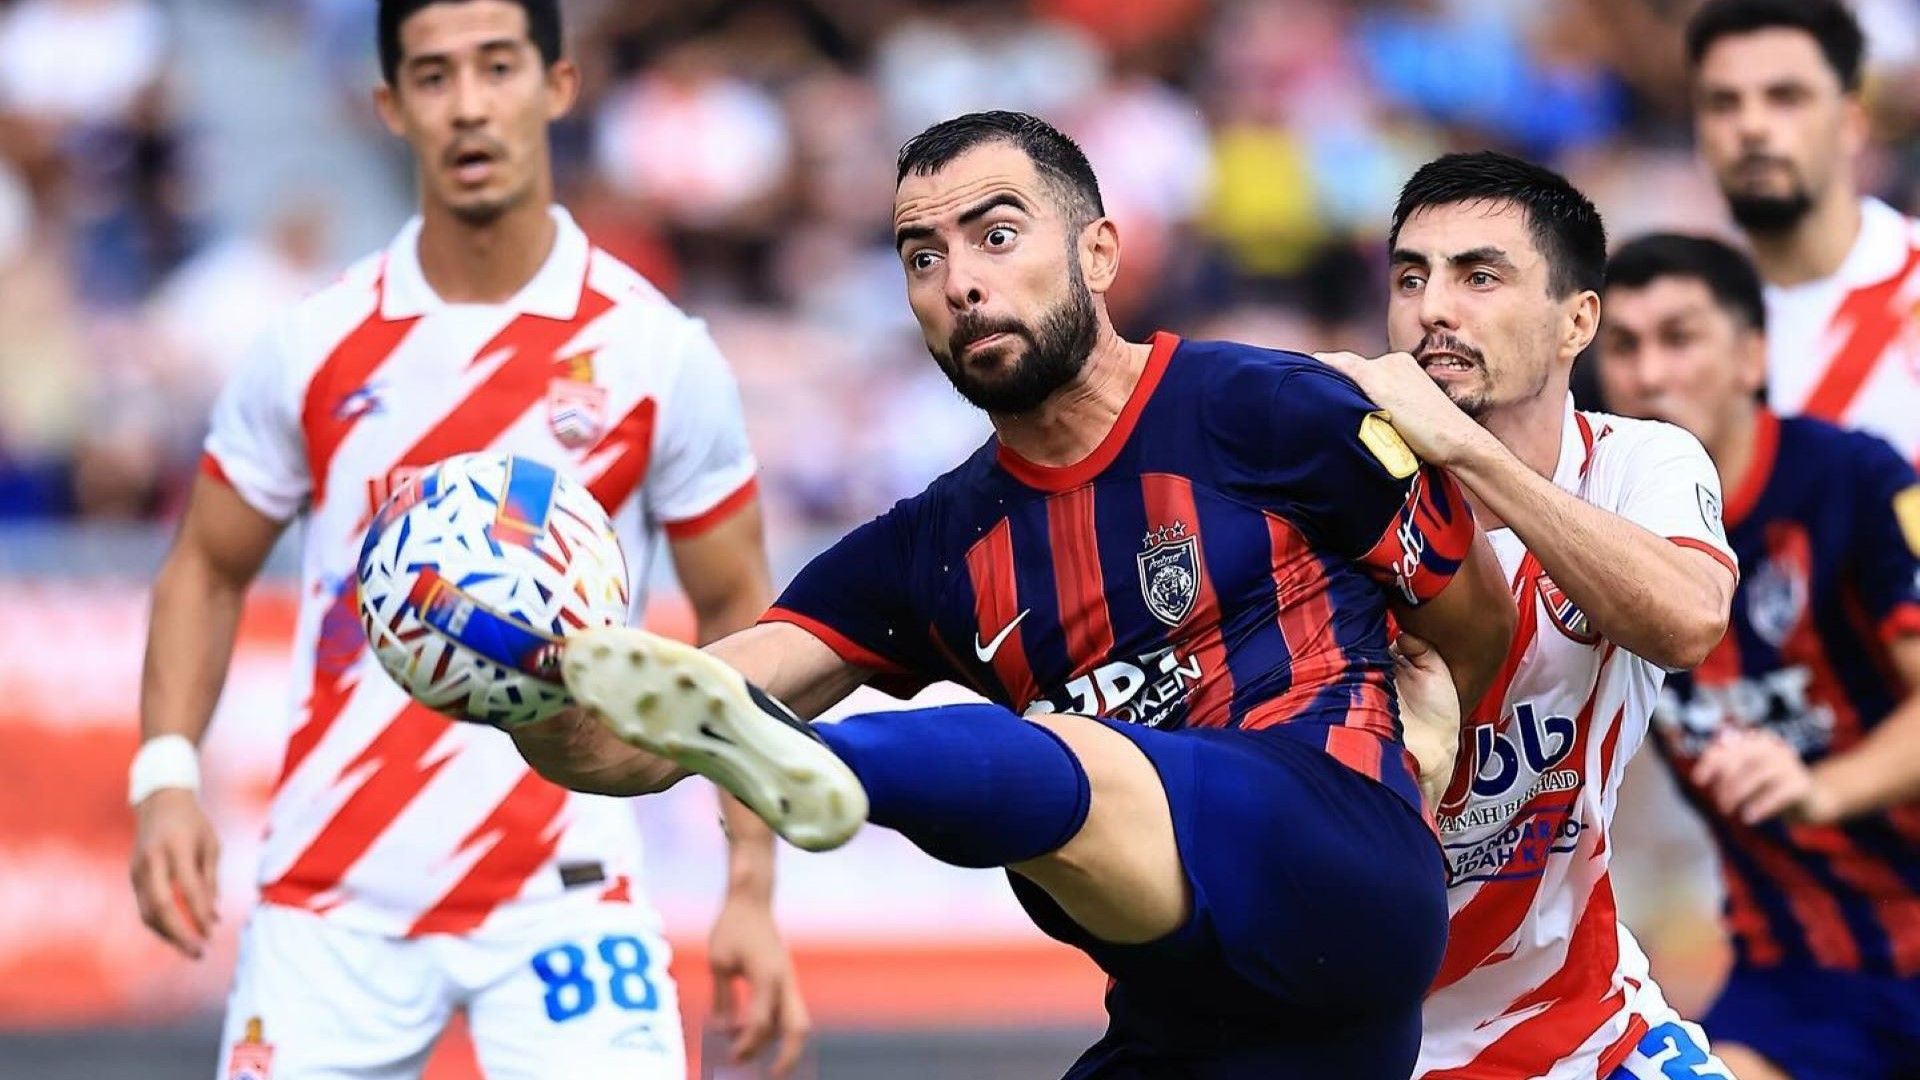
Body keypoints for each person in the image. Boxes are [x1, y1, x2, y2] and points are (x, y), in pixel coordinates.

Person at [516, 109, 1518, 1078]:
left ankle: (817, 759)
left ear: (1098, 253)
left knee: (1083, 757)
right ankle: (790, 752)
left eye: (996, 235)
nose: (960, 283)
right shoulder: (932, 549)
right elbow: (639, 737)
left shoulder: (1276, 410)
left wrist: (1432, 747)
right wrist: (517, 681)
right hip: (1191, 1013)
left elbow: (1473, 622)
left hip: (1342, 878)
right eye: (922, 257)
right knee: (1066, 794)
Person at [126, 2, 810, 1076]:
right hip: (331, 894)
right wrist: (166, 775)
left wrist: (751, 891)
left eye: (498, 67)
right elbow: (205, 565)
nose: (470, 105)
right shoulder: (313, 342)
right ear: (391, 107)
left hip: (568, 890)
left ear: (559, 86)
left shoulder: (657, 353)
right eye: (436, 78)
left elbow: (742, 619)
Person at [1319, 152, 1740, 1079]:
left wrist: (1465, 449)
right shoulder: (1322, 493)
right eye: (1411, 277)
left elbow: (1685, 621)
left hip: (1575, 1022)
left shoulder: (1644, 465)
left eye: (1481, 275)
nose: (1434, 307)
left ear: (1576, 321)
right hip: (1347, 1035)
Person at [1597, 231, 1920, 1080]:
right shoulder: (1591, 534)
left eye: (1680, 337)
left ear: (1752, 355)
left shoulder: (1859, 481)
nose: (1650, 375)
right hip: (1797, 980)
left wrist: (1822, 787)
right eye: (1623, 347)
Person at [1688, 0, 1920, 461]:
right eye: (1723, 103)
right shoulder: (1666, 327)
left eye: (1786, 97)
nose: (1751, 126)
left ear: (1853, 122)